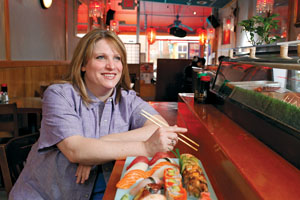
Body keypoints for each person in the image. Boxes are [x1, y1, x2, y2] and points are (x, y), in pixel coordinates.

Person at [9, 29, 187, 199]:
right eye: (101, 57)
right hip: (47, 195)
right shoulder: (59, 95)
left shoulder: (128, 100)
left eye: (117, 58)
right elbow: (75, 150)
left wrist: (95, 150)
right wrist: (146, 147)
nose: (111, 66)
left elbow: (160, 127)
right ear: (83, 64)